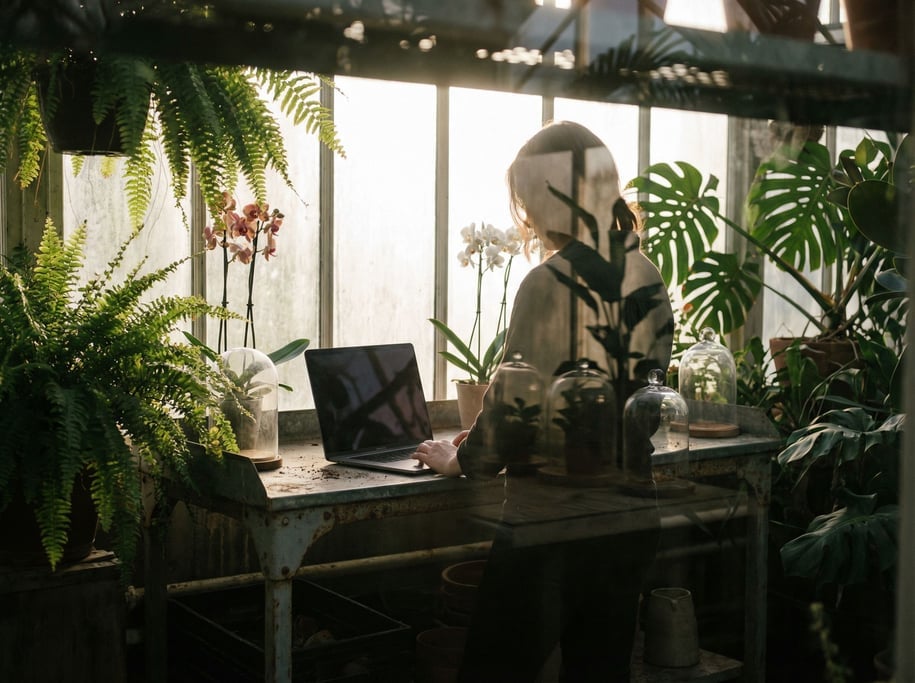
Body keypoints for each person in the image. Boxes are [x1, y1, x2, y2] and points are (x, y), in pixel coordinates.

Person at [413, 120, 674, 683]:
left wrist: (463, 460)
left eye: (528, 201)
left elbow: (513, 406)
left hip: (552, 531)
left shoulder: (547, 283)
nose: (526, 218)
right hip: (629, 520)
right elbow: (639, 407)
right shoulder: (647, 276)